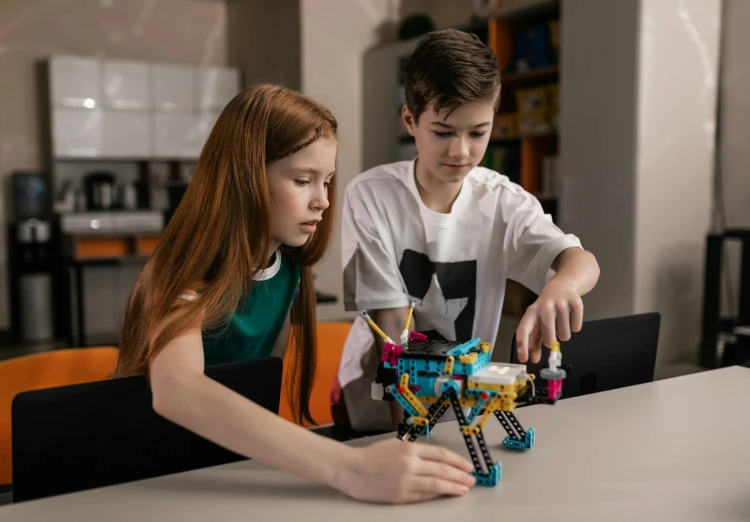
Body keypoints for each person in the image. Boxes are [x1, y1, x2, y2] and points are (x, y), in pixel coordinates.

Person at [114, 83, 477, 504]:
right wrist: (351, 467)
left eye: (326, 181)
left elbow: (257, 392)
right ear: (244, 177)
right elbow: (177, 389)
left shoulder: (288, 271)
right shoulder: (181, 271)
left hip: (228, 472)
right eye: (303, 180)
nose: (322, 201)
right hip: (152, 482)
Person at [333, 29, 601, 434]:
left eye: (478, 132)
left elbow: (580, 261)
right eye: (443, 132)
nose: (461, 151)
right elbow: (390, 334)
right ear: (410, 119)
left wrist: (562, 285)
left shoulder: (502, 200)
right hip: (375, 404)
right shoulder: (371, 196)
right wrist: (405, 439)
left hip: (460, 402)